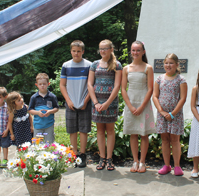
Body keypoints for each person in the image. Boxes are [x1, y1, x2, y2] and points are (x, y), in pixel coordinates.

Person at [88, 39, 122, 171]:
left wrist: (107, 103)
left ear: (111, 49)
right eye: (101, 49)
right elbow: (90, 84)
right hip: (97, 104)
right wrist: (96, 102)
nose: (102, 51)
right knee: (100, 131)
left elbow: (117, 85)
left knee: (110, 131)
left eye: (105, 48)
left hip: (111, 104)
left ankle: (109, 159)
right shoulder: (94, 64)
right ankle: (101, 159)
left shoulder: (117, 65)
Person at [121, 41, 155, 173]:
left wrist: (142, 106)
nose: (135, 53)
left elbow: (150, 89)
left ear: (143, 52)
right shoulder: (126, 69)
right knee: (133, 133)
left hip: (144, 104)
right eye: (133, 50)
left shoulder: (148, 68)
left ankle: (142, 162)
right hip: (131, 103)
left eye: (138, 50)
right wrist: (129, 106)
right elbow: (123, 89)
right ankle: (135, 161)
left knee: (144, 134)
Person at [153, 53, 187, 176]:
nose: (168, 65)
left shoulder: (181, 80)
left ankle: (177, 166)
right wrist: (161, 111)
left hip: (175, 115)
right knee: (165, 139)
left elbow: (183, 98)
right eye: (166, 63)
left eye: (171, 63)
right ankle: (166, 165)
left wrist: (172, 114)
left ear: (177, 64)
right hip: (162, 115)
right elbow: (155, 96)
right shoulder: (159, 79)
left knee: (175, 139)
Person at [60, 40, 93, 168]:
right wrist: (68, 101)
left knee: (83, 130)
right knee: (72, 130)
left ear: (83, 52)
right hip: (71, 103)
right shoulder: (66, 66)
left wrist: (86, 101)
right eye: (74, 51)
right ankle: (74, 154)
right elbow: (62, 85)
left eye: (79, 51)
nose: (76, 53)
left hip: (85, 103)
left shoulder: (89, 65)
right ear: (71, 51)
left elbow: (91, 85)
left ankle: (83, 155)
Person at [28, 73, 59, 144]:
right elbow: (30, 110)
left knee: (49, 144)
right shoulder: (34, 97)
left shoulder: (52, 96)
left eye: (44, 84)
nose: (42, 85)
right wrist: (38, 113)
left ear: (48, 84)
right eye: (40, 84)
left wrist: (50, 111)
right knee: (38, 145)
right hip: (38, 125)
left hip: (49, 125)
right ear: (37, 85)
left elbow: (56, 108)